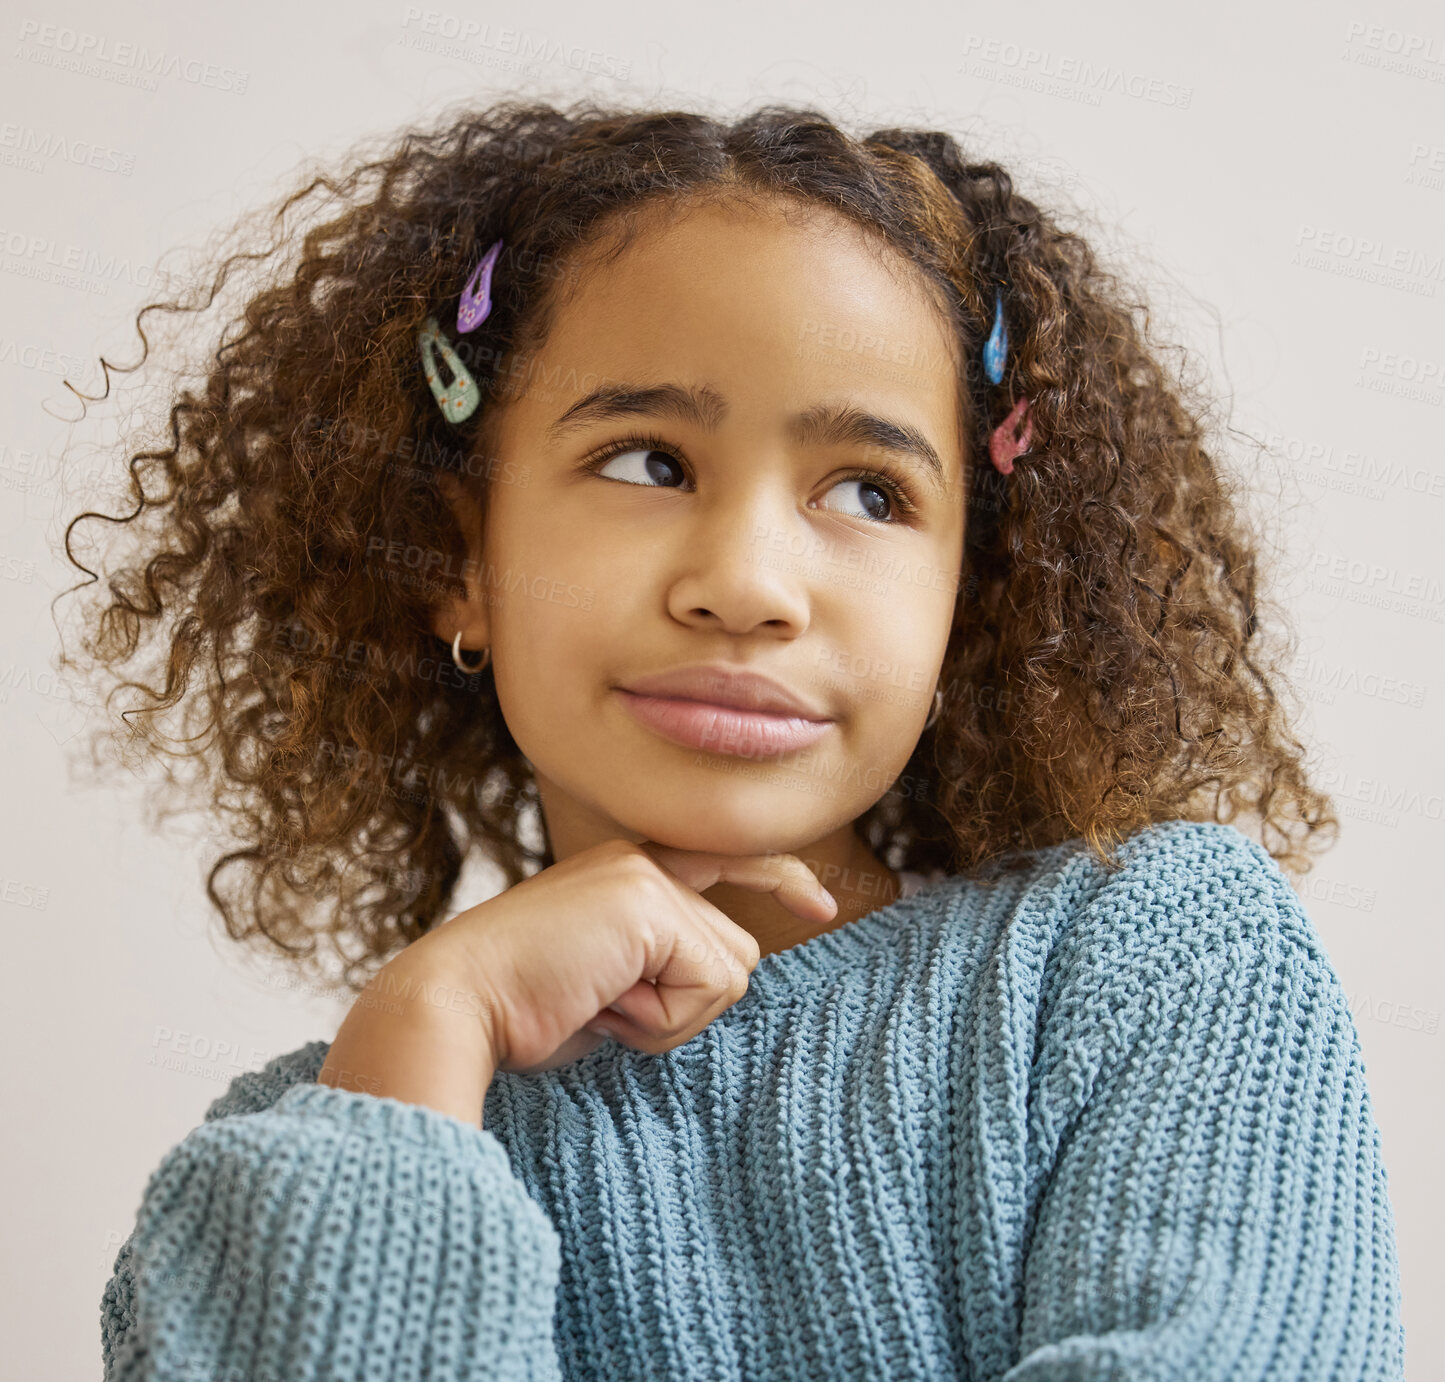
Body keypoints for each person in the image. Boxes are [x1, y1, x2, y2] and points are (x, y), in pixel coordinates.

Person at [64, 97, 1405, 1379]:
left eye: (868, 491)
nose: (746, 581)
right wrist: (424, 1028)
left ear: (969, 595)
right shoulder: (296, 1155)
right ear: (454, 553)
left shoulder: (1149, 964)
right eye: (648, 461)